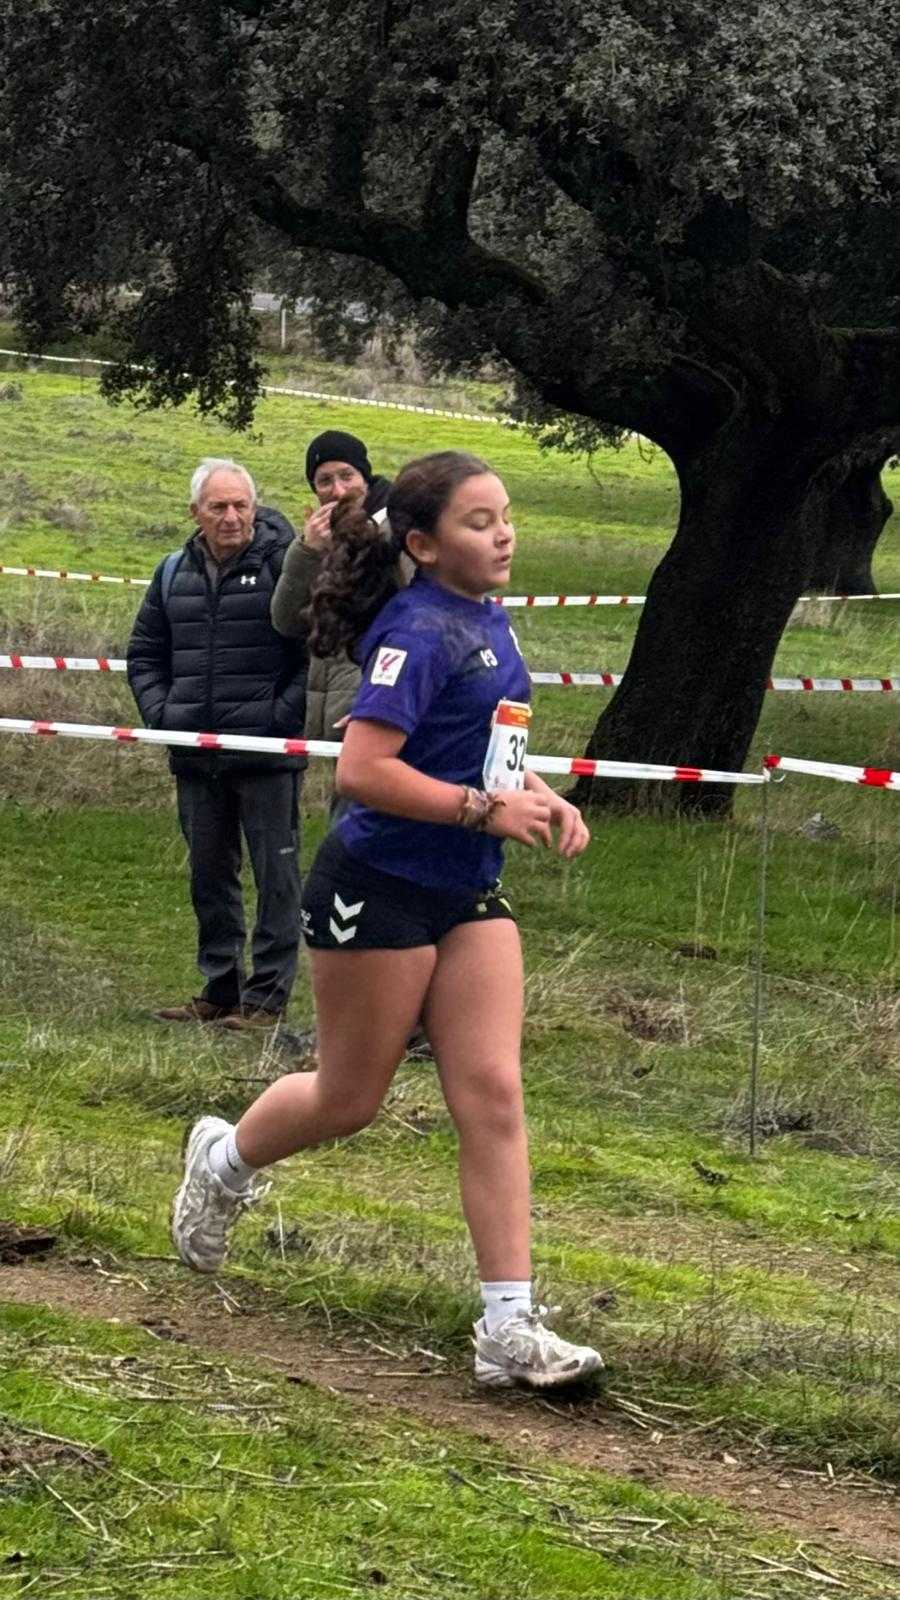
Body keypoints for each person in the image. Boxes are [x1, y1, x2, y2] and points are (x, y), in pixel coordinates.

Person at [171, 450, 603, 1389]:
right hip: (376, 883)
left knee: (492, 1094)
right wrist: (484, 811)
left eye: (506, 516)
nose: (505, 535)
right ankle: (223, 1161)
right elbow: (365, 771)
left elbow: (482, 749)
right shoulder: (414, 630)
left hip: (466, 889)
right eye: (479, 522)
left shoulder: (487, 619)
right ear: (424, 544)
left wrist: (540, 795)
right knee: (349, 1098)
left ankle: (508, 1327)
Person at [127, 458, 308, 1034]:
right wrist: (164, 716)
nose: (231, 516)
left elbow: (315, 654)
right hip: (195, 755)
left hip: (268, 756)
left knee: (276, 879)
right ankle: (219, 988)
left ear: (254, 507)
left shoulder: (286, 568)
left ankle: (267, 1000)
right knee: (209, 875)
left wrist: (280, 720)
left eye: (240, 505)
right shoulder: (170, 572)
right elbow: (144, 654)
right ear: (195, 513)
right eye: (218, 506)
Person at [271, 429, 399, 742]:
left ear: (365, 477)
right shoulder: (322, 539)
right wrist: (306, 551)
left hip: (380, 707)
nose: (338, 491)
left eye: (347, 475)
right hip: (333, 705)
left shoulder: (397, 529)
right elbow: (286, 621)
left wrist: (383, 704)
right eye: (324, 481)